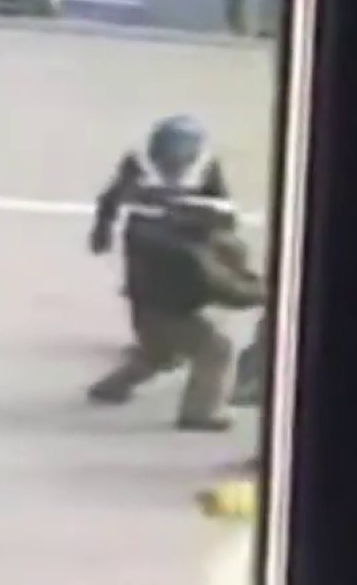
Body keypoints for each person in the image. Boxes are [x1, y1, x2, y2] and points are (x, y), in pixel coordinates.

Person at [86, 115, 266, 431]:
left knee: (160, 354)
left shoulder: (153, 236)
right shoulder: (189, 255)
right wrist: (267, 293)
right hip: (168, 310)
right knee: (215, 347)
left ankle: (112, 387)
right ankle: (200, 413)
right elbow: (226, 289)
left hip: (148, 303)